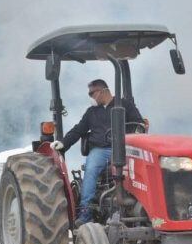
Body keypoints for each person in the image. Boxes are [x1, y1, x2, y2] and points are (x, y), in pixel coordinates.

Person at [51, 79, 143, 225]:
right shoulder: (92, 112)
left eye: (92, 93)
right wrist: (63, 143)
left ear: (103, 91)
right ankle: (86, 213)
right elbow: (78, 129)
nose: (90, 97)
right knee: (91, 168)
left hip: (124, 148)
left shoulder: (125, 105)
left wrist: (135, 135)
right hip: (101, 150)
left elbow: (138, 124)